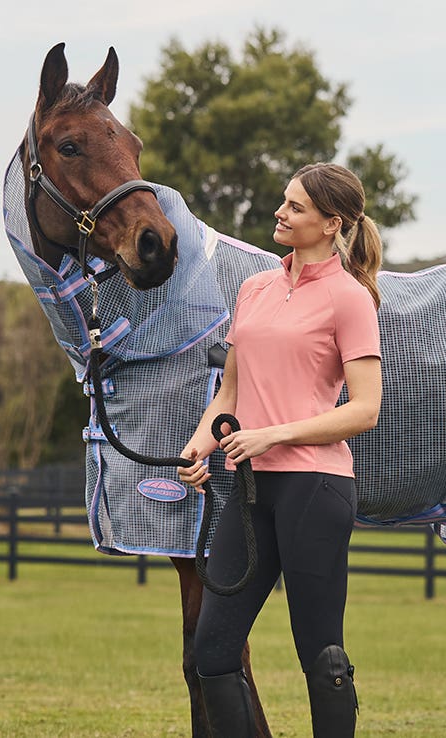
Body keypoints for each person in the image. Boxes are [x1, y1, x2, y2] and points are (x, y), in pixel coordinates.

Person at [178, 162, 383, 737]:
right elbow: (232, 389)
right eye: (284, 201)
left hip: (314, 488)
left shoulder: (350, 299)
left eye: (295, 207)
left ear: (330, 223)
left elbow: (364, 409)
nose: (280, 212)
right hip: (249, 490)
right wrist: (200, 444)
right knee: (211, 653)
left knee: (319, 653)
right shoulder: (255, 288)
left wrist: (273, 434)